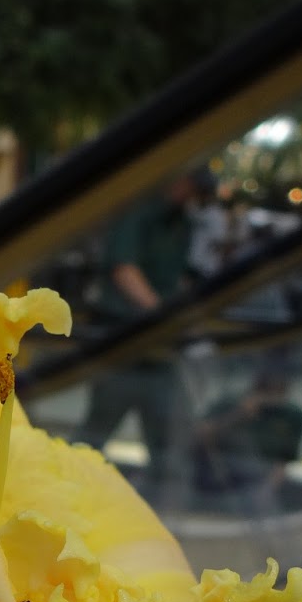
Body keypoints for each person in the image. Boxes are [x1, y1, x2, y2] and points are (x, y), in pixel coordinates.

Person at [79, 171, 203, 505]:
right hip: (123, 341)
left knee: (164, 440)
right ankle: (70, 500)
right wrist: (163, 313)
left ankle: (155, 510)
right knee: (95, 432)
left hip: (159, 349)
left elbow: (175, 275)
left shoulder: (182, 223)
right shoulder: (138, 212)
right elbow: (124, 269)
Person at [194, 356, 302, 507]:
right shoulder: (229, 404)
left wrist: (267, 491)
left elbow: (284, 461)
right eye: (267, 389)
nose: (272, 396)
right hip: (215, 471)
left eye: (279, 389)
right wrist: (238, 416)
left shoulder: (293, 416)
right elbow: (198, 438)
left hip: (258, 479)